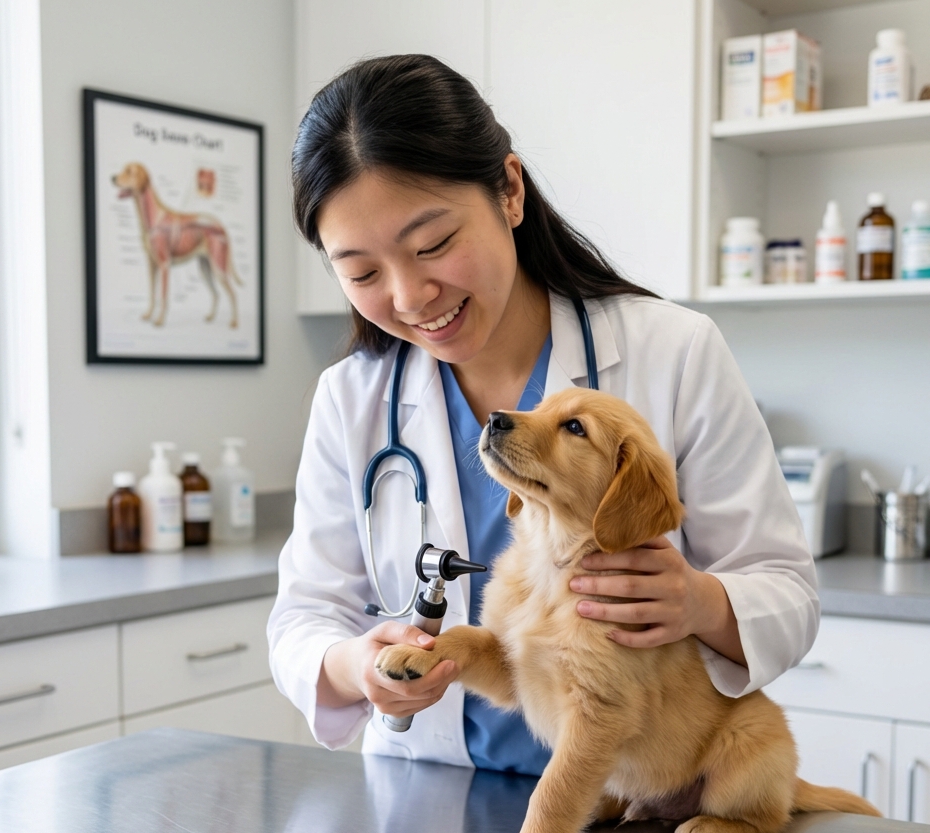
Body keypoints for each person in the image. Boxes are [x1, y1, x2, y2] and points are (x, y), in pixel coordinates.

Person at [267, 54, 817, 773]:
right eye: (362, 272)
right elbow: (304, 616)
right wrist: (351, 666)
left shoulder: (671, 350)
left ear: (509, 191)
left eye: (433, 244)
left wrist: (700, 603)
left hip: (634, 802)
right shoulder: (352, 396)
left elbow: (787, 592)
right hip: (432, 788)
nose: (409, 297)